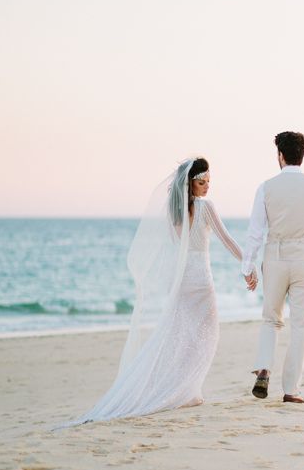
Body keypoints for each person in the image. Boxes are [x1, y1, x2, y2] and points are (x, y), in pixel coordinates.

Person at [61, 157, 245, 426]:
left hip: (180, 279)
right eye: (202, 182)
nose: (207, 187)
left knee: (181, 335)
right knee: (204, 336)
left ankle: (188, 390)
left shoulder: (174, 213)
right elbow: (227, 239)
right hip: (200, 279)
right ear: (191, 183)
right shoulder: (206, 208)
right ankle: (189, 390)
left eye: (209, 183)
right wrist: (249, 264)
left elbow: (175, 248)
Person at [242, 132, 304, 404]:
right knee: (301, 325)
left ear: (280, 155)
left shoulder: (265, 187)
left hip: (274, 256)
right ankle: (291, 390)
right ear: (302, 155)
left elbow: (255, 231)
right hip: (303, 258)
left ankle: (264, 367)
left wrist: (247, 265)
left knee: (271, 319)